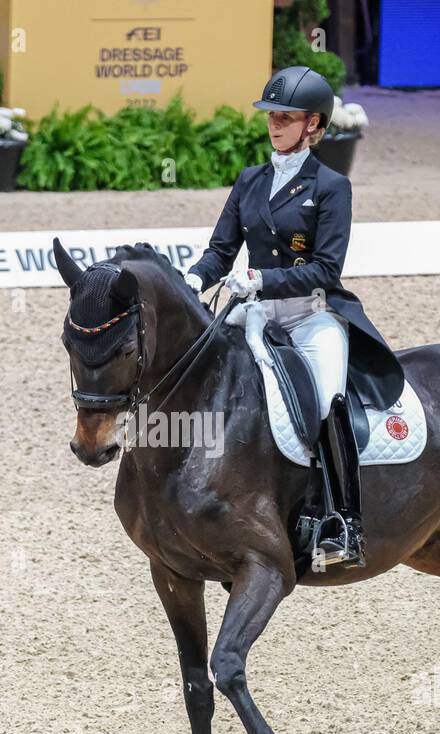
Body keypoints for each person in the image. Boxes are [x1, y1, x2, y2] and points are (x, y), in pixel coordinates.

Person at [185, 65, 404, 568]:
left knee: (327, 398)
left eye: (286, 117)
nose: (275, 124)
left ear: (314, 126)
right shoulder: (250, 180)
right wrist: (196, 279)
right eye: (271, 115)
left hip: (311, 317)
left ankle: (343, 522)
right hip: (258, 315)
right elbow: (221, 250)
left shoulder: (331, 186)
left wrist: (260, 279)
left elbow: (326, 269)